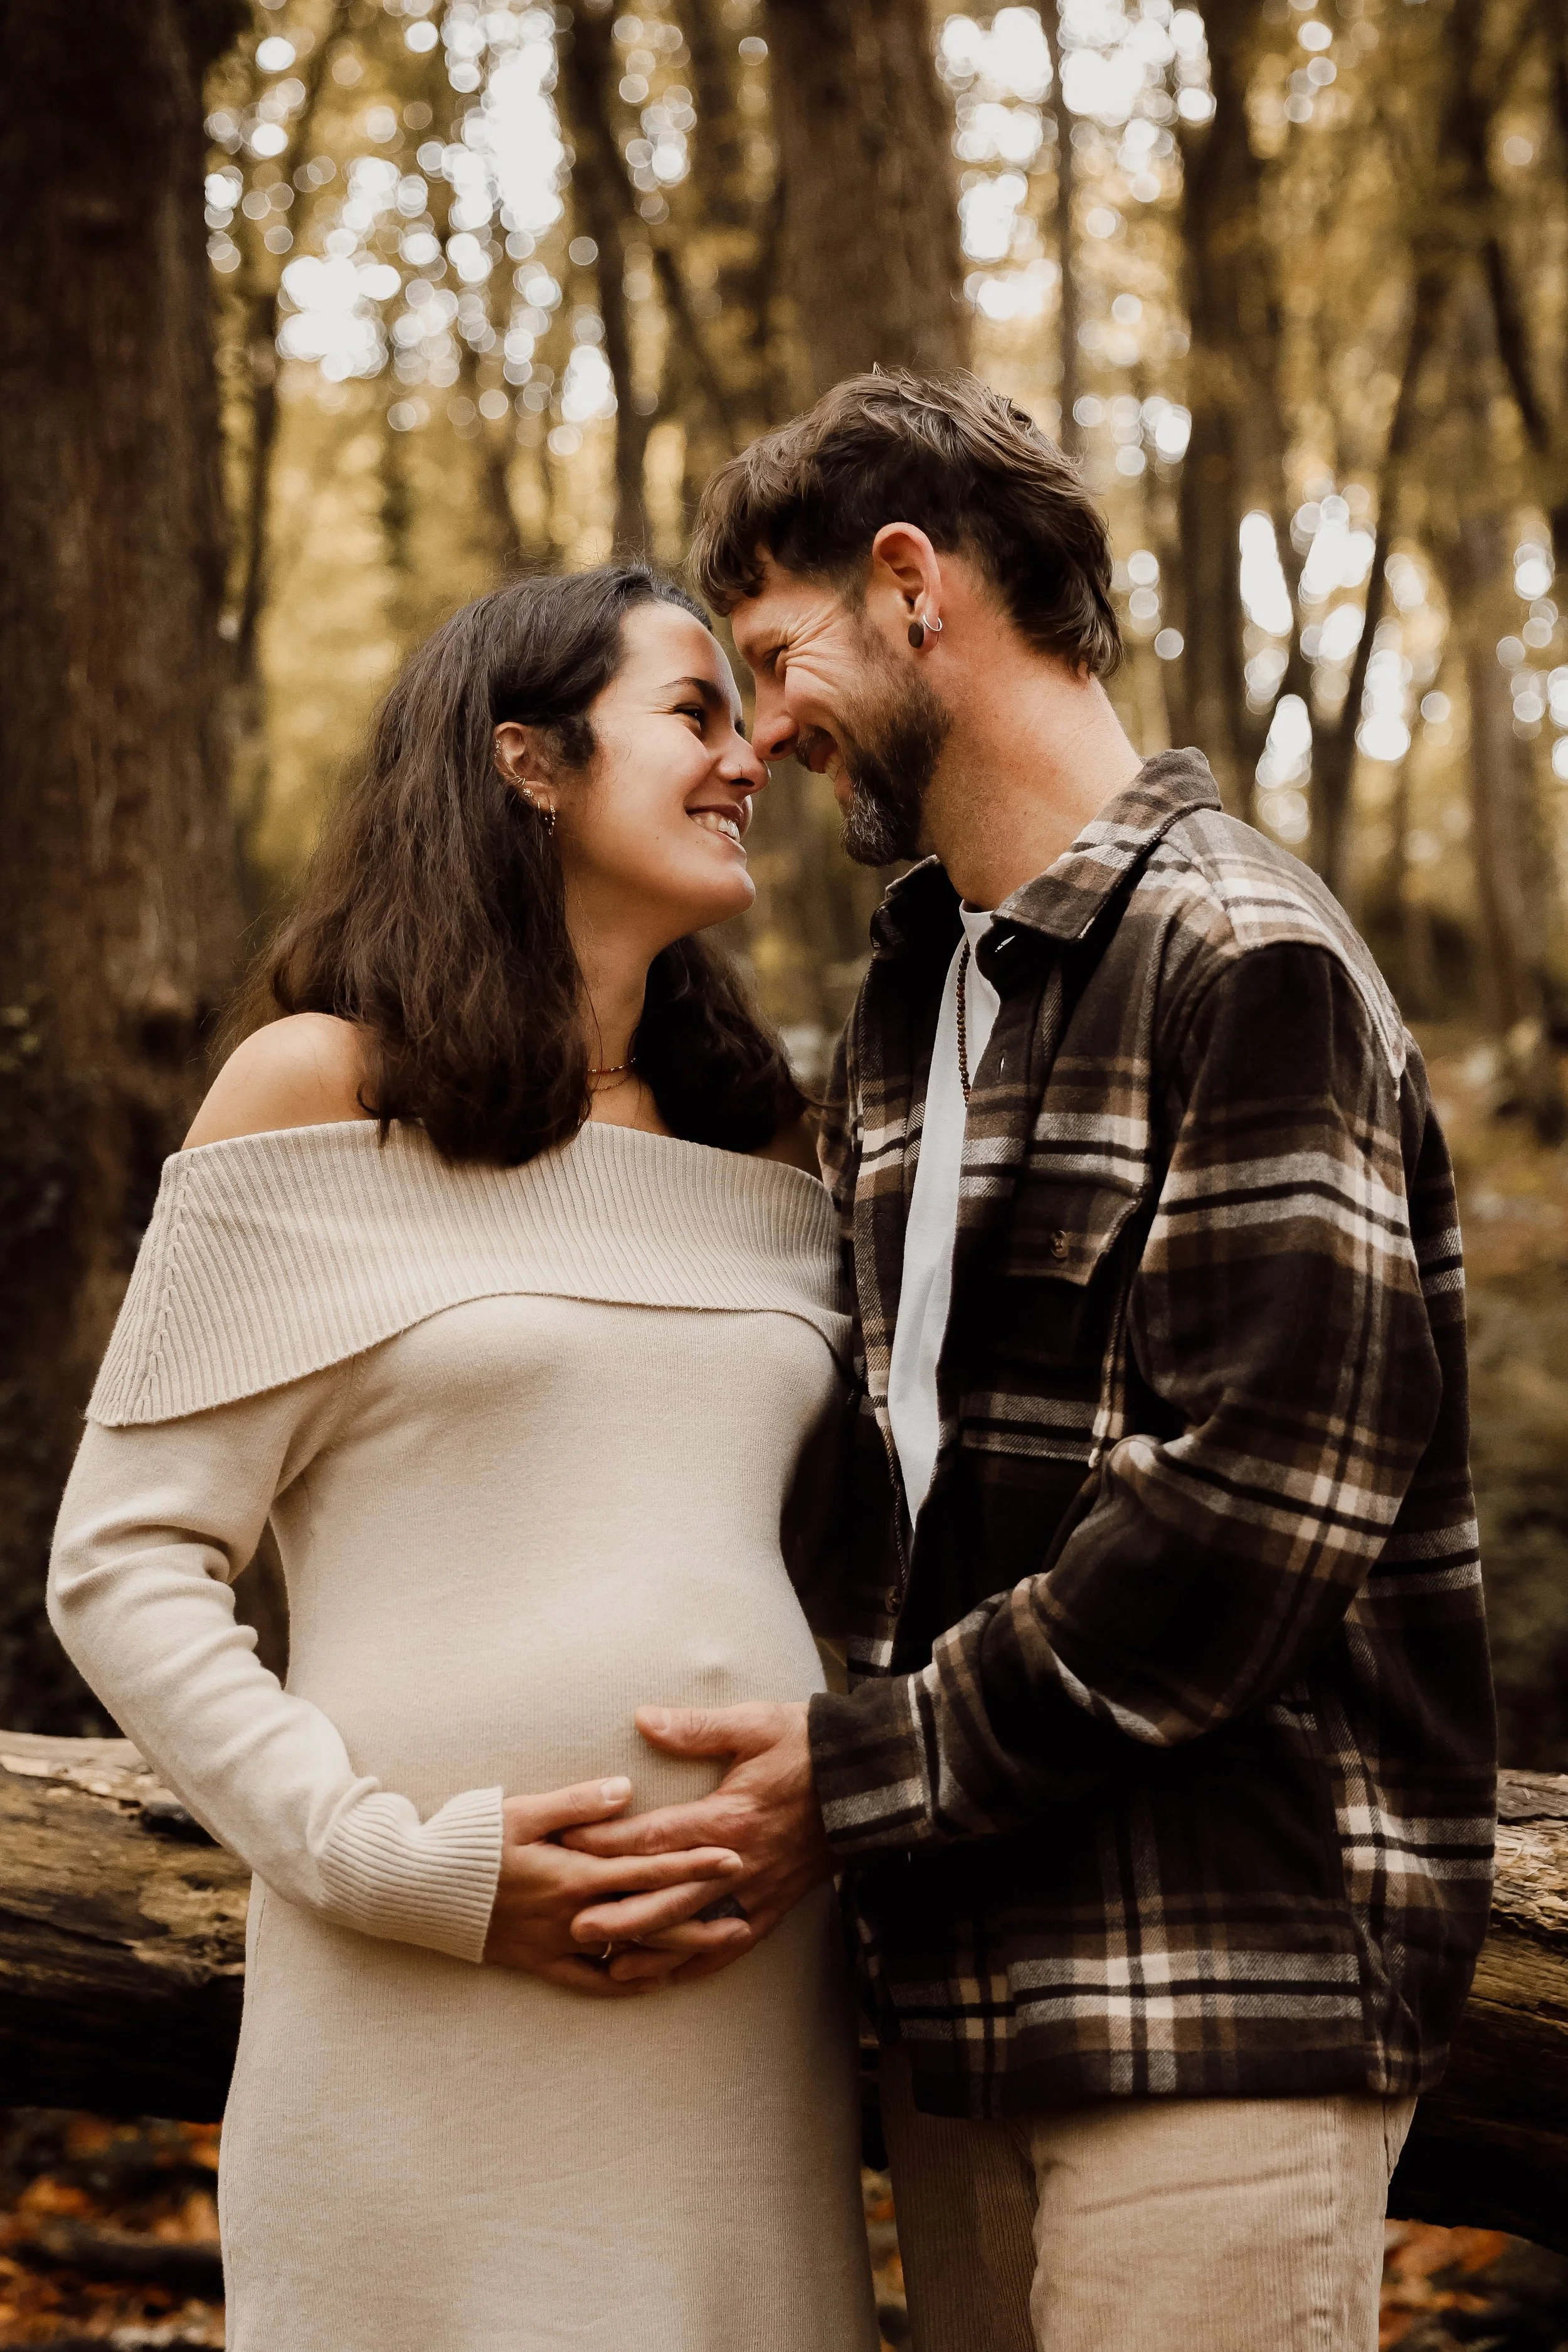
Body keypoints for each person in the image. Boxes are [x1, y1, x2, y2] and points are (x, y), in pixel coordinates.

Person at [563, 375, 1498, 2351]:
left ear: (911, 587)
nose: (768, 728)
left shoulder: (1245, 956)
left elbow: (1248, 1514)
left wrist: (851, 1771)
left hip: (1215, 1984)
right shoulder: (920, 999)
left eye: (774, 656)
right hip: (959, 1991)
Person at [47, 566, 881, 2352]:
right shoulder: (315, 1088)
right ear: (526, 759)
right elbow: (121, 1559)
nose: (749, 757)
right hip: (415, 1983)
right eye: (694, 711)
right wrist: (380, 1857)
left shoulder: (768, 1146)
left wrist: (834, 1777)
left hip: (738, 1992)